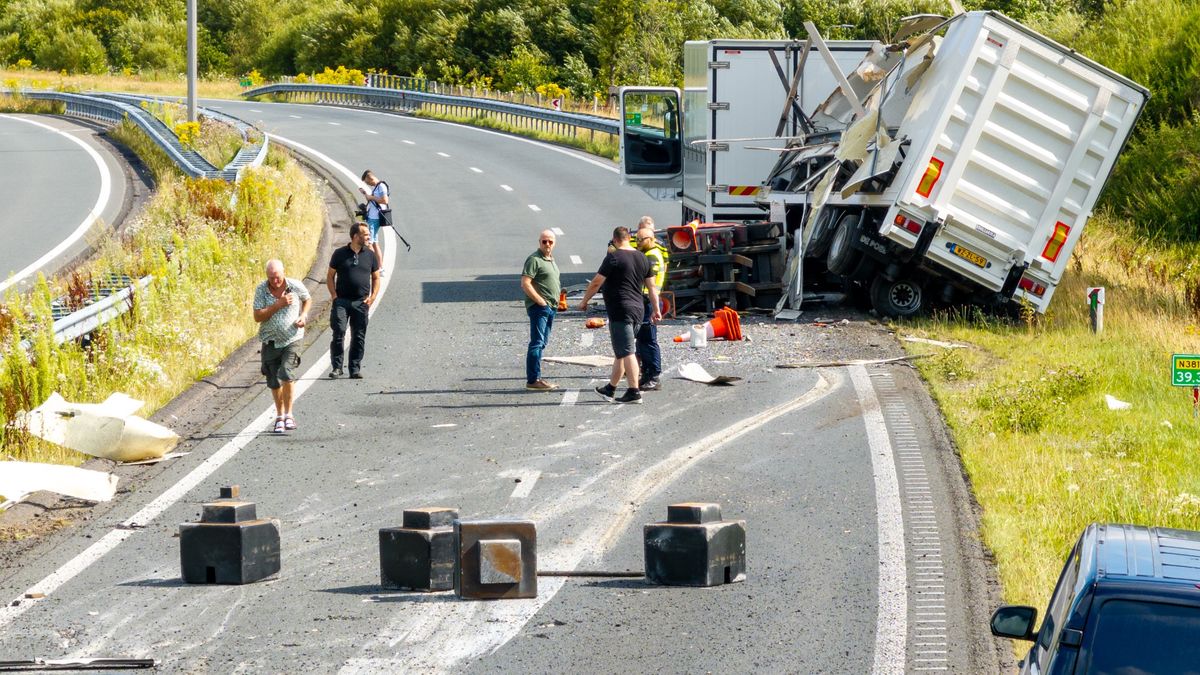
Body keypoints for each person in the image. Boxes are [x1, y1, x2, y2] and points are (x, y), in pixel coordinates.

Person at [580, 226, 661, 404]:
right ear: (629, 238)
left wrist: (584, 301)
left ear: (615, 239)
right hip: (638, 310)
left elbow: (596, 283)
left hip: (620, 310)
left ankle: (634, 391)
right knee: (621, 352)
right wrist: (656, 309)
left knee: (628, 351)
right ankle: (610, 389)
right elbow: (652, 287)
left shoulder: (613, 257)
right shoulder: (642, 257)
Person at [252, 259, 312, 433]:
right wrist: (278, 305)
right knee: (272, 380)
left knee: (286, 373)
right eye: (271, 278)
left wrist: (304, 315)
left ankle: (289, 415)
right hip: (270, 341)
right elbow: (257, 316)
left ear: (283, 273)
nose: (275, 281)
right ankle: (279, 415)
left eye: (277, 277)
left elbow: (307, 298)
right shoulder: (261, 290)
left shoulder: (294, 285)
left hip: (292, 338)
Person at [327, 222, 380, 379]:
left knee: (358, 335)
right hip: (341, 301)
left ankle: (354, 368)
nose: (368, 237)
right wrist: (334, 296)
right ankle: (337, 367)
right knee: (339, 332)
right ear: (355, 236)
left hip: (361, 302)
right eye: (365, 234)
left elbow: (376, 277)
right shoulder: (339, 253)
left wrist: (372, 297)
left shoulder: (370, 255)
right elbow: (330, 276)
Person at [520, 230, 561, 391]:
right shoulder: (534, 260)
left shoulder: (550, 259)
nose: (547, 244)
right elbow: (525, 283)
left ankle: (536, 377)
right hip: (540, 308)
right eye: (544, 241)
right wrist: (540, 301)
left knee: (542, 342)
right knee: (537, 342)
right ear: (539, 242)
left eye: (550, 241)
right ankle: (533, 379)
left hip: (550, 307)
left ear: (554, 243)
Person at [634, 220, 668, 391]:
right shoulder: (649, 254)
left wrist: (655, 308)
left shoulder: (652, 256)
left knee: (648, 339)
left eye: (640, 240)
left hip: (649, 301)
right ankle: (647, 373)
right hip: (646, 300)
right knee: (642, 340)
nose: (637, 243)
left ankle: (654, 375)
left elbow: (651, 285)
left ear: (649, 239)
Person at [358, 170, 388, 276]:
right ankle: (380, 268)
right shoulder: (377, 187)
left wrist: (371, 197)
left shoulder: (381, 186)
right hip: (373, 218)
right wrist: (366, 194)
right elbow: (376, 200)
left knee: (369, 243)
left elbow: (385, 200)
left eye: (367, 182)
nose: (368, 184)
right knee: (374, 243)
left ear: (370, 178)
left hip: (374, 219)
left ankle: (375, 268)